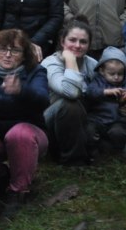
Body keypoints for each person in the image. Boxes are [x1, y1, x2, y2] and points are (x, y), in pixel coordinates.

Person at [0, 30, 51, 216]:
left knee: (19, 135)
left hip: (29, 132)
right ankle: (0, 178)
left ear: (24, 54)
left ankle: (18, 191)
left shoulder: (36, 72)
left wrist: (21, 91)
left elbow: (43, 100)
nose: (8, 55)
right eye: (3, 49)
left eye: (15, 50)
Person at [41, 18, 101, 165]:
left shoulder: (92, 64)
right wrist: (70, 60)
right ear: (62, 41)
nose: (77, 45)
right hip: (50, 120)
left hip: (82, 118)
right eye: (72, 40)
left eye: (83, 42)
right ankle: (73, 160)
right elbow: (71, 92)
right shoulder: (50, 63)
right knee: (70, 104)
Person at [86, 47, 126, 156]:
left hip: (117, 121)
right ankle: (92, 149)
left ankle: (118, 147)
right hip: (97, 119)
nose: (116, 77)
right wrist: (105, 92)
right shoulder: (97, 81)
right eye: (112, 73)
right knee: (89, 130)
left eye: (120, 74)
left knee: (118, 133)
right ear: (102, 71)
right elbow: (90, 93)